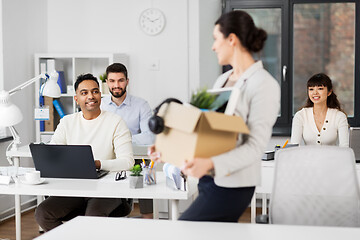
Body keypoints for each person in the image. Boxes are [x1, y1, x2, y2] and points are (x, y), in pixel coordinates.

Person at [149, 10, 280, 222]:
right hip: (208, 180)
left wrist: (211, 163)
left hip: (234, 185)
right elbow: (204, 130)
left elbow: (255, 147)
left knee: (186, 228)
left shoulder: (264, 84)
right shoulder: (223, 80)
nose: (213, 46)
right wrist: (167, 148)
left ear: (232, 39)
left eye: (216, 39)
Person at [35, 73, 134, 231]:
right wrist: (46, 156)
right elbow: (54, 151)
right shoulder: (67, 122)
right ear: (76, 99)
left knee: (92, 217)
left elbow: (128, 162)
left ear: (100, 95)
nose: (91, 96)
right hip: (74, 187)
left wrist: (98, 164)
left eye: (95, 91)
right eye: (84, 93)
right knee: (43, 213)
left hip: (107, 189)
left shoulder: (116, 122)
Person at [101, 63, 155, 219]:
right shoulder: (101, 105)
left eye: (120, 80)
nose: (116, 85)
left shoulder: (141, 105)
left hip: (135, 155)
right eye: (112, 81)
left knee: (145, 169)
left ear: (127, 81)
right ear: (107, 83)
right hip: (108, 156)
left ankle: (148, 219)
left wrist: (121, 140)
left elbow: (149, 136)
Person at [291, 73, 349, 147]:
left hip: (332, 158)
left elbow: (345, 148)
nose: (315, 93)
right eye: (311, 89)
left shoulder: (339, 116)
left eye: (320, 89)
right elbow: (294, 147)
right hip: (307, 158)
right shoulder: (300, 116)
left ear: (329, 92)